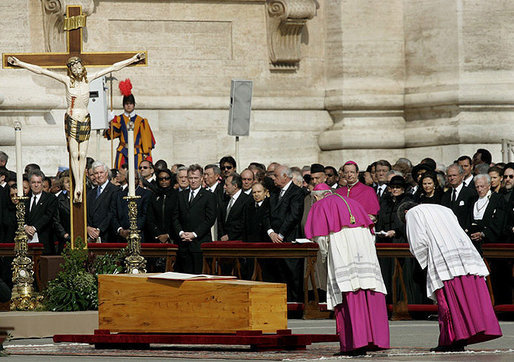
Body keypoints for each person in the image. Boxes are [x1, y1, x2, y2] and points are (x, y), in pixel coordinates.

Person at [8, 53, 145, 203]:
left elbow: (113, 67)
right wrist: (20, 63)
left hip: (85, 118)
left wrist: (133, 60)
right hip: (72, 118)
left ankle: (80, 183)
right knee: (74, 154)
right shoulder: (67, 81)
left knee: (82, 154)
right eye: (73, 67)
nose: (77, 69)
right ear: (70, 70)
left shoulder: (89, 79)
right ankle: (78, 185)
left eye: (79, 66)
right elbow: (42, 71)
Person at [400, 201, 502, 352]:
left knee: (447, 302)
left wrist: (425, 263)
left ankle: (450, 340)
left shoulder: (413, 213)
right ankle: (461, 339)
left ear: (406, 212)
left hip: (444, 259)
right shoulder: (444, 208)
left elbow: (418, 241)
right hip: (465, 254)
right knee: (466, 299)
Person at [304, 183, 389, 356]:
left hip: (342, 249)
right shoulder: (353, 203)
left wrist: (323, 255)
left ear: (316, 196)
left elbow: (320, 237)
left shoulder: (321, 205)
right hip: (364, 249)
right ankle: (374, 340)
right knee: (368, 288)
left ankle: (354, 344)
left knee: (349, 290)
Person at [172, 164, 217, 274]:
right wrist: (181, 232)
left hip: (199, 244)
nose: (193, 181)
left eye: (195, 178)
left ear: (201, 178)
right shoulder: (181, 195)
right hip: (183, 244)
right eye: (190, 178)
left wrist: (195, 234)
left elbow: (210, 219)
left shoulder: (208, 196)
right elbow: (175, 217)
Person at [24, 170, 58, 255]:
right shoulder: (25, 199)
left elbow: (48, 216)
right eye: (33, 182)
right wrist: (25, 227)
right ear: (29, 183)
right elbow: (21, 215)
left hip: (44, 239)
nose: (36, 185)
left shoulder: (50, 198)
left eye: (38, 182)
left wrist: (34, 228)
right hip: (27, 240)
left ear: (42, 183)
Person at [441, 163, 478, 233]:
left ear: (461, 176)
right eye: (449, 176)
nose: (452, 178)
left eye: (454, 175)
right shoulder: (445, 195)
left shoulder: (471, 193)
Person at [86, 161, 118, 243]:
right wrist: (87, 227)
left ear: (106, 173)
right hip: (91, 236)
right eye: (96, 173)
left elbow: (112, 212)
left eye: (101, 172)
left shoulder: (115, 190)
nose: (99, 175)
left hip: (107, 235)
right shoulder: (90, 193)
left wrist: (99, 230)